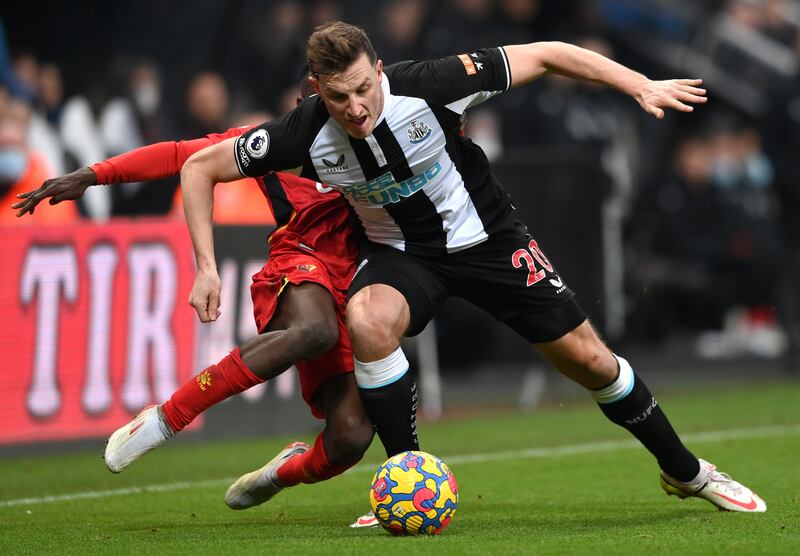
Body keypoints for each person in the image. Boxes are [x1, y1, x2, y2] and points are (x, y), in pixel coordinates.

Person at [177, 21, 765, 513]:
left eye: (362, 89)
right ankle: (402, 485)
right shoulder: (303, 132)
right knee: (367, 318)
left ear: (379, 70)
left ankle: (687, 472)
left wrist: (639, 85)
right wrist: (206, 267)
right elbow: (198, 167)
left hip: (488, 242)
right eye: (338, 97)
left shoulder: (432, 84)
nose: (354, 108)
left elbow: (549, 54)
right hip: (403, 256)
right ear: (316, 90)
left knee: (589, 361)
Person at [11, 121, 380, 526]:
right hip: (302, 260)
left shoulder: (386, 130)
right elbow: (180, 155)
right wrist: (95, 174)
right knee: (316, 329)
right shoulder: (278, 139)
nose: (345, 105)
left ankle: (280, 472)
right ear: (306, 99)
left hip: (364, 279)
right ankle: (167, 417)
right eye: (328, 94)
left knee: (351, 436)